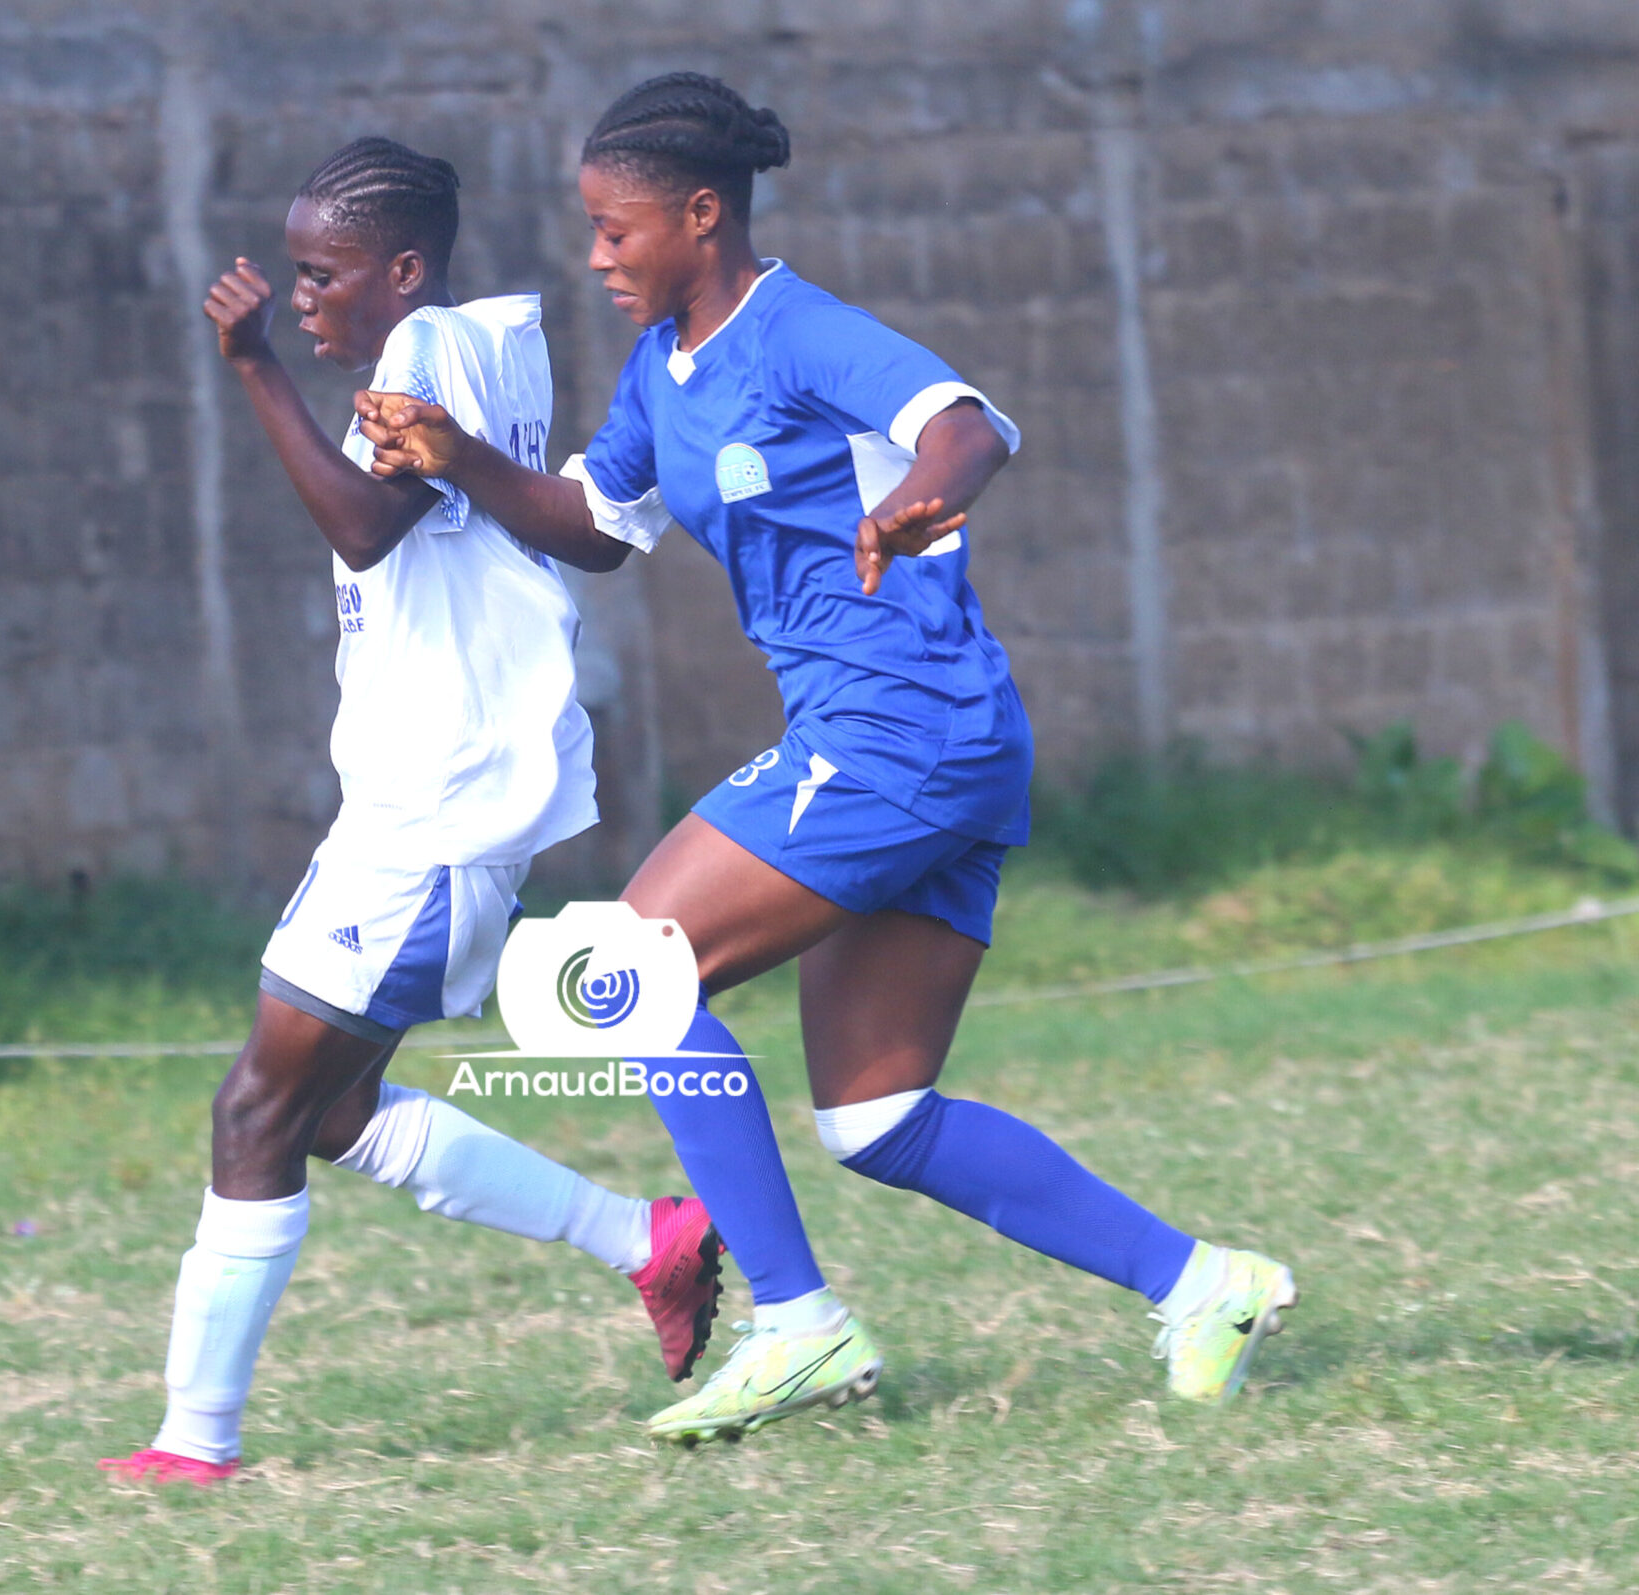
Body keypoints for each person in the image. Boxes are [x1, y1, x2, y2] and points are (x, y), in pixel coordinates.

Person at [359, 74, 1297, 1444]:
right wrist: (455, 460)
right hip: (917, 738)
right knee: (878, 1115)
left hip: (902, 727)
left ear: (701, 213)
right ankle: (1207, 1283)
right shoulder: (661, 370)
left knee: (622, 966)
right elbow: (597, 524)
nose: (598, 256)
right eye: (591, 230)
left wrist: (925, 497)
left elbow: (967, 425)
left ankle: (798, 1324)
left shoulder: (797, 332)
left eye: (617, 230)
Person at [99, 138, 729, 1488]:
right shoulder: (472, 345)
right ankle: (648, 1239)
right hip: (422, 804)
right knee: (329, 1113)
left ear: (399, 270)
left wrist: (254, 364)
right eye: (294, 277)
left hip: (431, 815)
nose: (302, 297)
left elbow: (365, 526)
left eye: (322, 275)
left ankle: (194, 1443)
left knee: (256, 1110)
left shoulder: (430, 349)